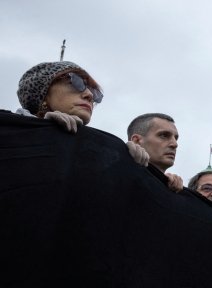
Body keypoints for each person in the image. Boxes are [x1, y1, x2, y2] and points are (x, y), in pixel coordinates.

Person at [15, 61, 148, 166]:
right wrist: (39, 129)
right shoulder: (11, 133)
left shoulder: (97, 150)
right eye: (76, 82)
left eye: (94, 92)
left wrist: (122, 157)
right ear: (44, 92)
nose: (89, 95)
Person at [127, 113, 183, 192]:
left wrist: (162, 182)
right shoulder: (115, 173)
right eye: (164, 135)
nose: (175, 144)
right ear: (136, 141)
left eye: (175, 138)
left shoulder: (174, 188)